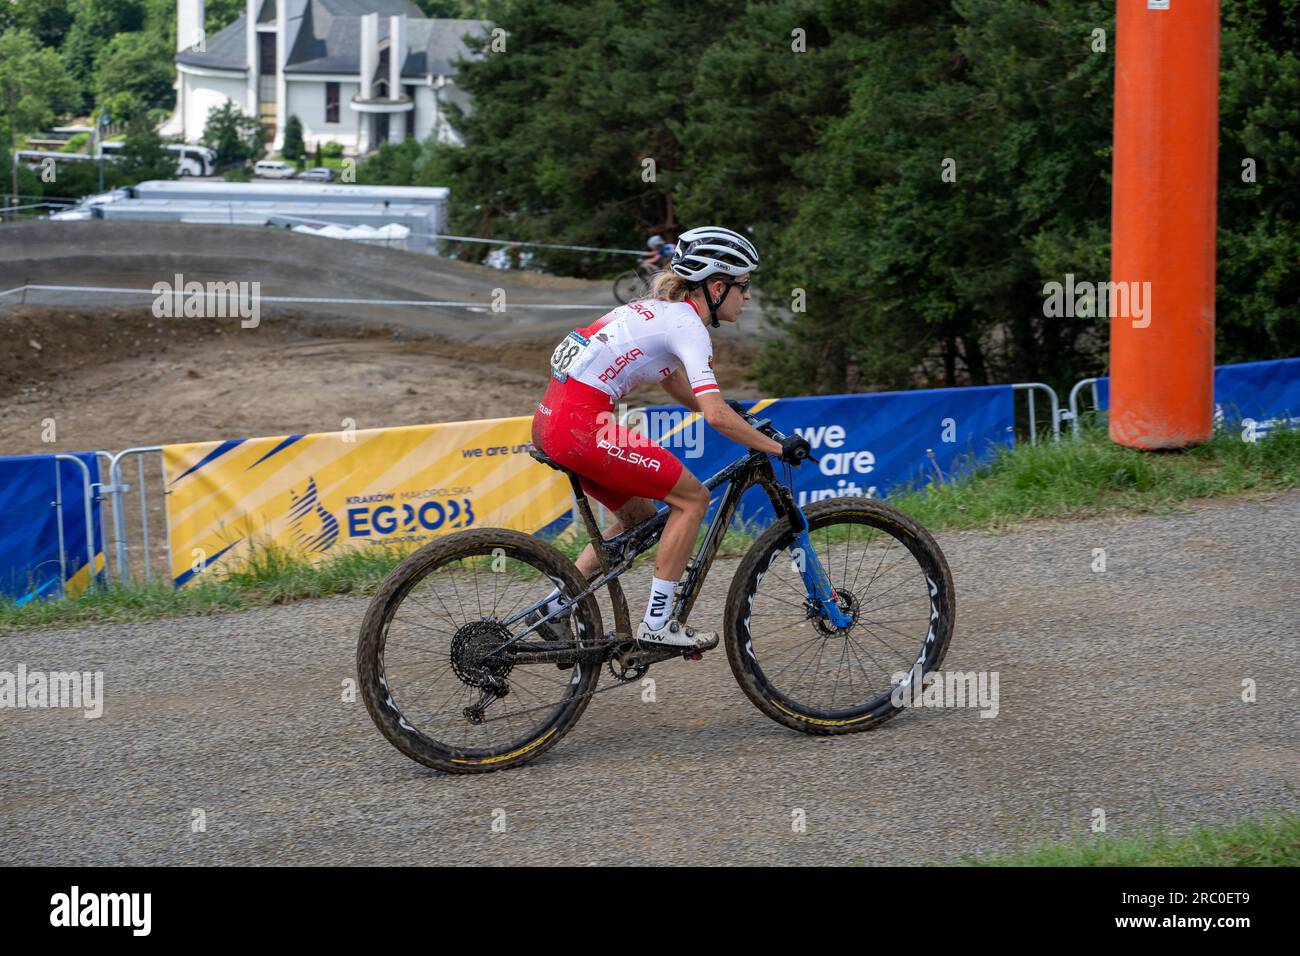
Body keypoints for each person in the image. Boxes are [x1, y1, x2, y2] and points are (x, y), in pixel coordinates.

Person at [530, 226, 811, 650]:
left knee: (639, 522)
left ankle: (554, 609)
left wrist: (731, 410)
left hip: (554, 420)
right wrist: (776, 447)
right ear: (717, 287)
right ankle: (658, 625)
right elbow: (715, 417)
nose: (748, 296)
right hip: (580, 426)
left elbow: (674, 381)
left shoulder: (657, 309)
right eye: (744, 286)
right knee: (692, 499)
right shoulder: (689, 326)